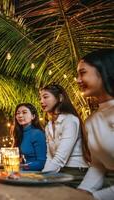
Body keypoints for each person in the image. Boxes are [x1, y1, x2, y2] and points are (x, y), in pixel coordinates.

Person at [77, 49, 114, 200]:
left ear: (104, 70)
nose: (78, 80)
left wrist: (95, 197)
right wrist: (80, 192)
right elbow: (98, 165)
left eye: (83, 73)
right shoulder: (90, 122)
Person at [39, 84, 90, 185]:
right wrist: (43, 175)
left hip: (75, 171)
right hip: (61, 170)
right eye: (40, 98)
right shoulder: (48, 125)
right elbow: (50, 156)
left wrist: (41, 177)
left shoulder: (70, 120)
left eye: (45, 97)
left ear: (60, 98)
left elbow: (60, 158)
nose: (41, 101)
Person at [12, 103, 46, 171]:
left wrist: (21, 167)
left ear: (33, 116)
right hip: (21, 172)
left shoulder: (37, 134)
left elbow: (42, 162)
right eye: (18, 113)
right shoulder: (19, 134)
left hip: (34, 175)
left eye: (24, 112)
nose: (20, 115)